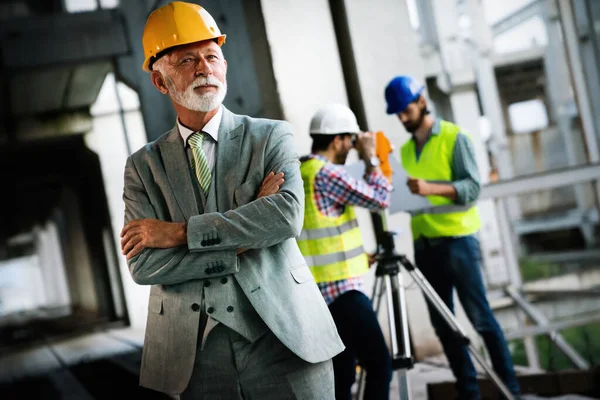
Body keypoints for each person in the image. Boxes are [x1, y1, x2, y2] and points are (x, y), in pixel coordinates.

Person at [119, 2, 343, 398]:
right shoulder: (142, 167)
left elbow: (285, 218)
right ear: (159, 81)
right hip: (194, 358)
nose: (204, 68)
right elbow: (144, 264)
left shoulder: (271, 136)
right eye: (188, 60)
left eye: (212, 57)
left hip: (284, 338)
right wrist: (247, 231)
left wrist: (176, 233)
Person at [384, 75, 521, 399]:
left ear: (421, 101)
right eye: (398, 114)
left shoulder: (454, 137)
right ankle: (468, 393)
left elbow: (472, 188)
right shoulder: (404, 152)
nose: (402, 118)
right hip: (425, 248)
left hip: (459, 243)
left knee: (481, 320)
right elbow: (409, 199)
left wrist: (430, 188)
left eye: (405, 110)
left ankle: (509, 391)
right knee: (444, 326)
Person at [297, 103, 393, 399]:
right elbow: (380, 198)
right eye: (351, 141)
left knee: (341, 376)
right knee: (379, 365)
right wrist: (371, 158)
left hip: (316, 296)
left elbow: (316, 236)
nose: (352, 148)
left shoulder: (301, 172)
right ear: (337, 140)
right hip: (342, 293)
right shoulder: (327, 174)